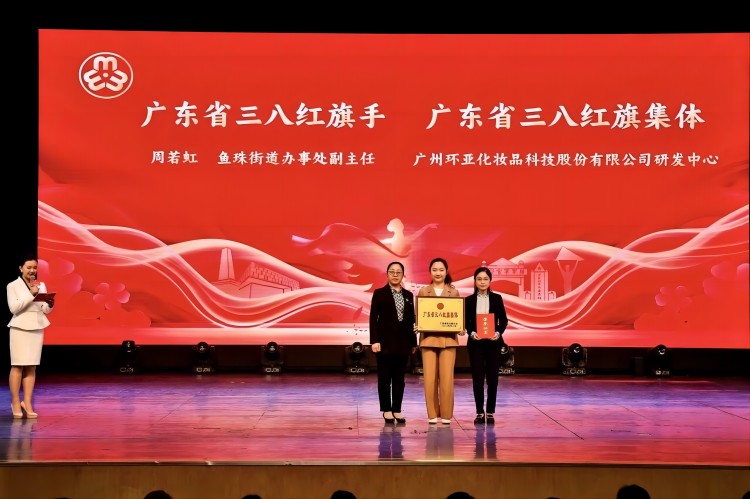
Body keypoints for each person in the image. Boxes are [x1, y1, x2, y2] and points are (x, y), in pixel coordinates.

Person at [417, 257, 464, 424]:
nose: (438, 273)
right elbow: (419, 316)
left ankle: (446, 414)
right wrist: (418, 325)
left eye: (441, 270)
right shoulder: (424, 292)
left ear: (446, 271)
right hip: (428, 340)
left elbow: (458, 315)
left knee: (447, 379)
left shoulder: (454, 292)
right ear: (430, 272)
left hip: (448, 340)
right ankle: (432, 414)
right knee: (429, 379)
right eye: (435, 270)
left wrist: (461, 327)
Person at [7, 253, 54, 419]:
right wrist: (31, 294)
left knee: (31, 366)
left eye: (35, 267)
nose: (32, 270)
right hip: (19, 328)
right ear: (21, 268)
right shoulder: (12, 286)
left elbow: (44, 309)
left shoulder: (41, 285)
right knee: (18, 366)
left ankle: (27, 402)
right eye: (29, 267)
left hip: (36, 326)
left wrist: (50, 304)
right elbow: (14, 308)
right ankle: (15, 402)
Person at [369, 261, 417, 424]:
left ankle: (397, 409)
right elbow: (373, 319)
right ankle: (386, 410)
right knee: (384, 378)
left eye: (398, 272)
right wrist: (374, 340)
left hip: (403, 344)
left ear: (403, 275)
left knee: (399, 379)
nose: (395, 275)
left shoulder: (408, 295)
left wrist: (413, 343)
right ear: (387, 274)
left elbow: (411, 320)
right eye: (392, 272)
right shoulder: (379, 293)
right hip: (384, 343)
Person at [464, 266, 508, 425]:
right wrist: (471, 333)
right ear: (475, 281)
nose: (482, 282)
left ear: (490, 281)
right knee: (477, 379)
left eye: (485, 279)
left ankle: (490, 412)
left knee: (493, 379)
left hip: (493, 344)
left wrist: (498, 332)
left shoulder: (497, 298)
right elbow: (466, 322)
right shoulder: (469, 300)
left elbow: (503, 321)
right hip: (476, 344)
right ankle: (479, 412)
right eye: (479, 279)